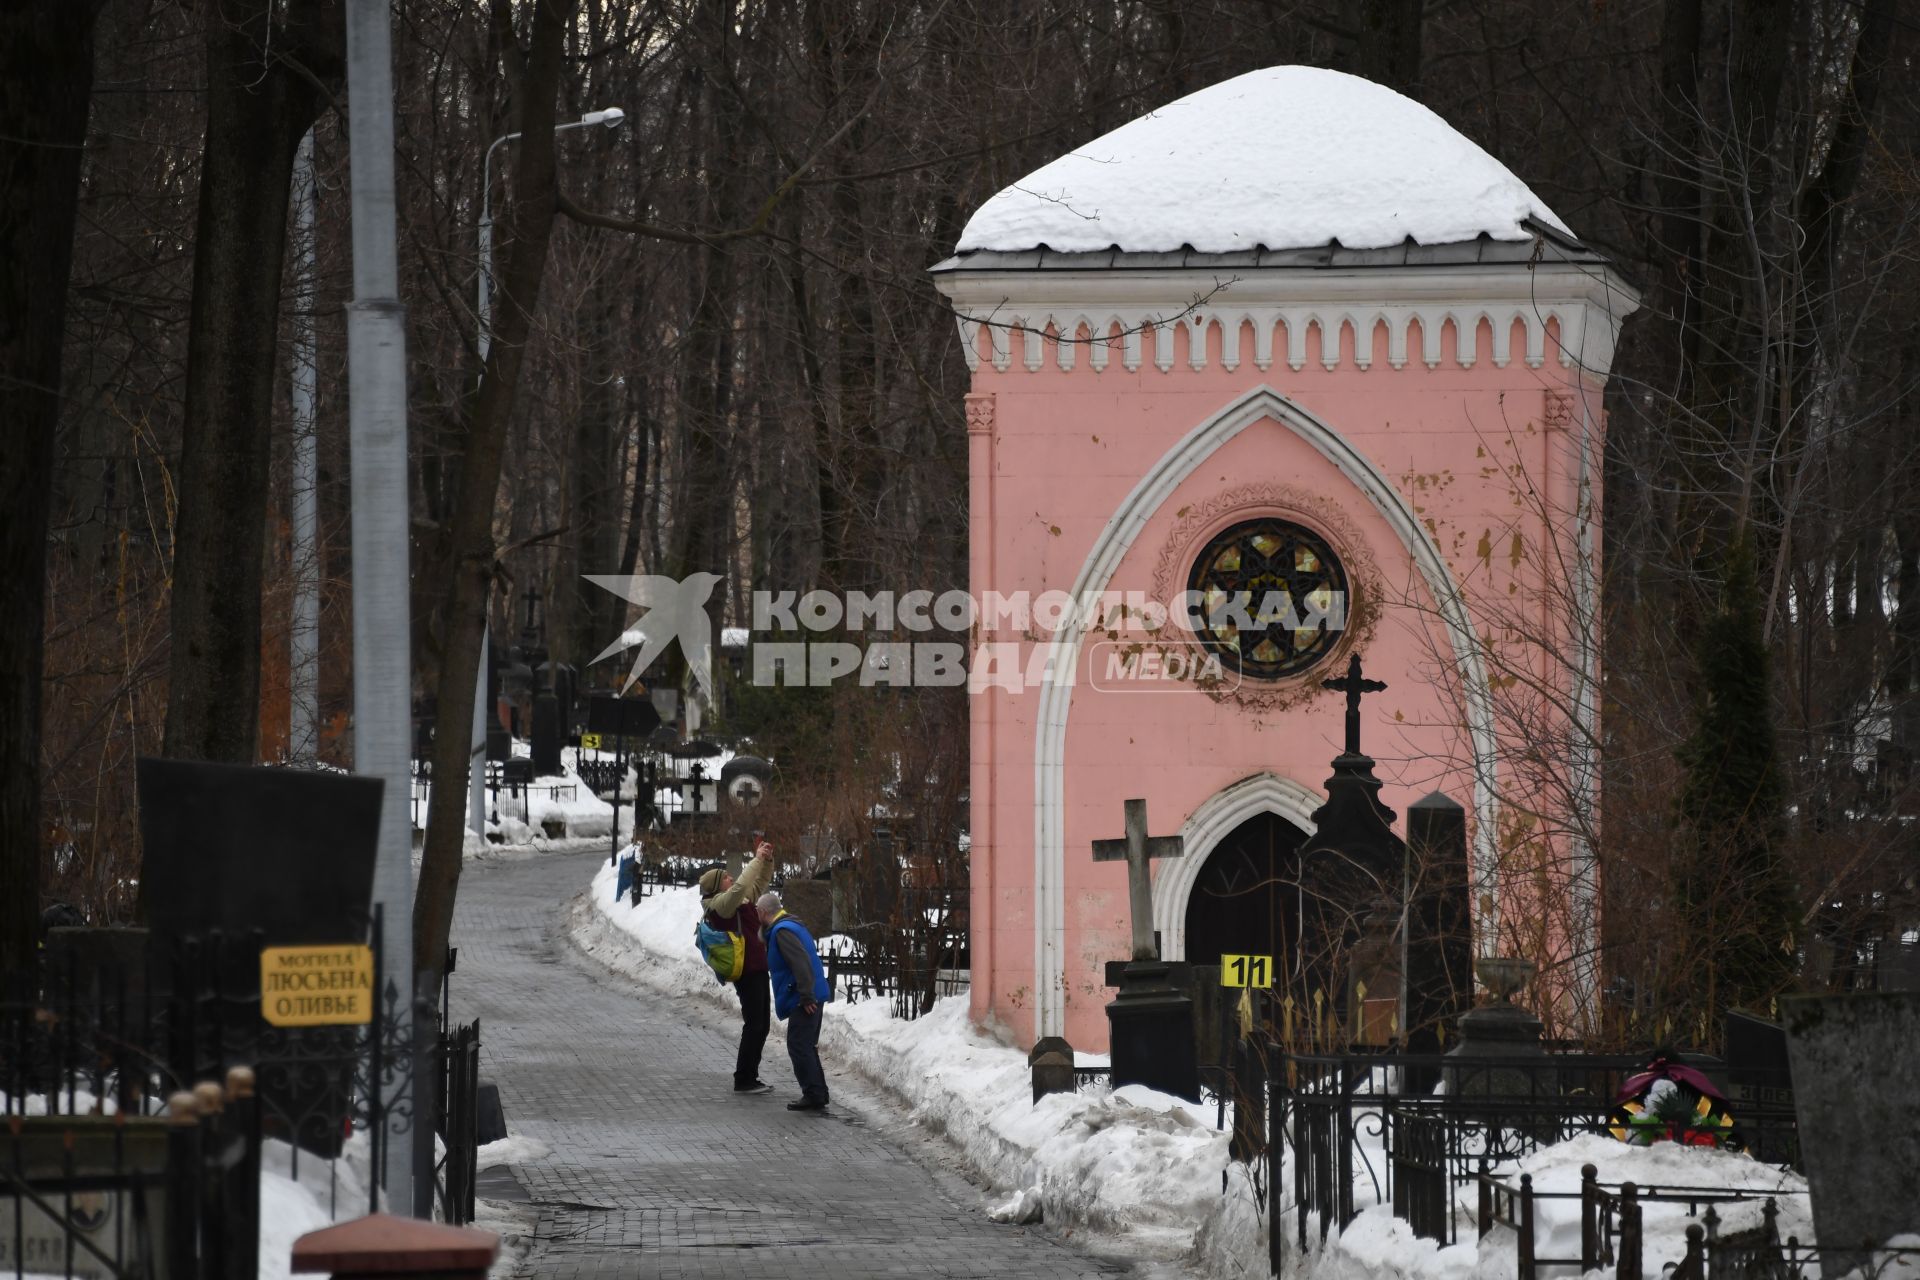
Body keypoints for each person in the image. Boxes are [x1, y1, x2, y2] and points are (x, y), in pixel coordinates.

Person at [698, 838, 776, 1094]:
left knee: (762, 1024)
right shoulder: (721, 905)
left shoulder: (736, 901)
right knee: (754, 1024)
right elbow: (743, 884)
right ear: (718, 886)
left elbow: (758, 885)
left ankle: (750, 1075)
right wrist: (755, 858)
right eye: (727, 878)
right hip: (747, 970)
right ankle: (743, 1078)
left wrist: (766, 861)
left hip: (757, 965)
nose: (732, 879)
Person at [756, 890, 832, 1112]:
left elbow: (801, 963)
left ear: (763, 912)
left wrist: (807, 996)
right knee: (805, 1045)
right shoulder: (790, 926)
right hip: (806, 993)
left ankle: (814, 1095)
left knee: (799, 1045)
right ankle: (817, 1093)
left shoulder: (782, 932)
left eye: (757, 911)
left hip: (804, 996)